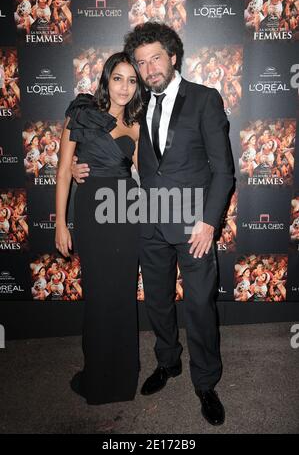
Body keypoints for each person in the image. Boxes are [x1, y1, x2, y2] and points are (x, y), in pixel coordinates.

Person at [72, 22, 234, 425]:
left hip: (193, 223)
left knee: (198, 304)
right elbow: (111, 146)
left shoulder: (204, 99)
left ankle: (206, 382)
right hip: (147, 220)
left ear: (173, 56)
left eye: (155, 58)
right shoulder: (137, 107)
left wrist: (209, 222)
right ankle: (168, 363)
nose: (148, 68)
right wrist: (82, 167)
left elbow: (224, 171)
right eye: (140, 62)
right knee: (158, 303)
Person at [55, 52, 144, 405]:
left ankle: (122, 381)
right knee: (97, 295)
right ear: (106, 79)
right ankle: (97, 378)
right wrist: (61, 223)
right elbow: (64, 171)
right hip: (92, 212)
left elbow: (151, 175)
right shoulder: (81, 111)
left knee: (122, 295)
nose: (124, 87)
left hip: (127, 212)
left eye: (132, 80)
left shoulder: (137, 125)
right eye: (118, 78)